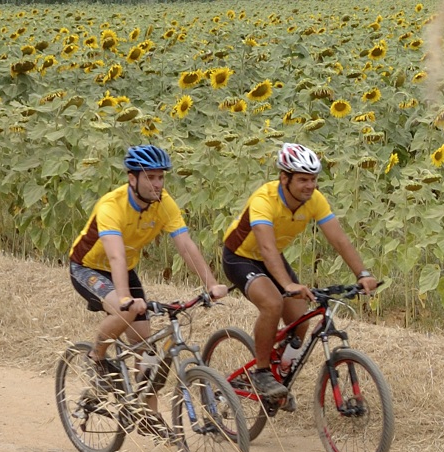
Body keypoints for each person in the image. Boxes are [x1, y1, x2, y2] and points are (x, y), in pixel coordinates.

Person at [68, 145, 229, 402]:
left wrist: (211, 284)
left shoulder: (164, 204)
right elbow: (115, 255)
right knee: (127, 310)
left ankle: (147, 416)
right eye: (150, 177)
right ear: (132, 179)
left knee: (146, 351)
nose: (157, 184)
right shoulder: (112, 205)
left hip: (125, 269)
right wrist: (124, 299)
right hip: (88, 267)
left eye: (161, 177)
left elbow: (186, 246)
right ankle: (95, 358)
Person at [219, 142, 380, 399]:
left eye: (314, 179)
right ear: (285, 178)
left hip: (271, 258)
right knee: (272, 304)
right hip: (241, 257)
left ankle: (280, 371)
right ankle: (261, 372)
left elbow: (339, 240)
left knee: (300, 320)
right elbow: (267, 248)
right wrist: (288, 285)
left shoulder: (314, 200)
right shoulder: (264, 199)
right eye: (303, 179)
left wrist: (362, 273)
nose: (310, 186)